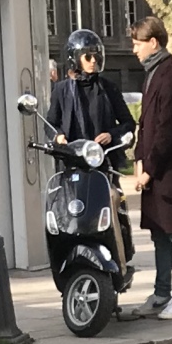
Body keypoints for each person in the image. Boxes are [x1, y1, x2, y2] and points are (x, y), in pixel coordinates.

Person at [129, 15, 172, 322]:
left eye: (137, 44)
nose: (134, 50)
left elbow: (165, 132)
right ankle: (160, 293)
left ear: (153, 43)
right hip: (157, 172)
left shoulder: (171, 78)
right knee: (159, 232)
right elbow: (146, 127)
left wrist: (148, 168)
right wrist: (139, 161)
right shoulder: (154, 73)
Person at [48, 28, 134, 274]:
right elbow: (50, 122)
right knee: (69, 210)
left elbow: (128, 122)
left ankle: (120, 260)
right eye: (87, 56)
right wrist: (58, 136)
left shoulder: (108, 88)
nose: (93, 61)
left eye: (96, 55)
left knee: (113, 207)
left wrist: (113, 135)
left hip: (104, 163)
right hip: (73, 165)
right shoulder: (62, 90)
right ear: (75, 58)